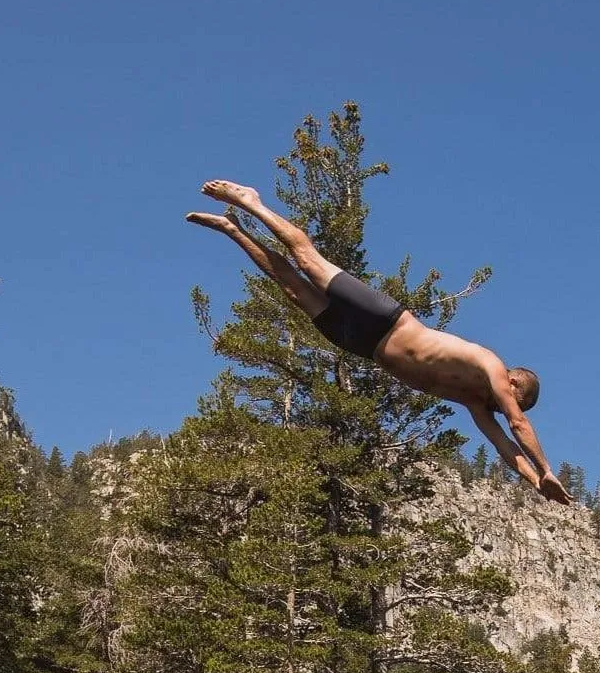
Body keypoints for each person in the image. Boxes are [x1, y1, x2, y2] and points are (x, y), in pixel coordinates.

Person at [186, 180, 572, 505]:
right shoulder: (489, 365)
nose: (506, 409)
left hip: (364, 346)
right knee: (308, 262)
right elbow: (518, 426)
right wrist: (547, 467)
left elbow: (505, 448)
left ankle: (233, 230)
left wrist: (538, 483)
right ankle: (252, 202)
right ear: (515, 382)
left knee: (292, 290)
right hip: (385, 319)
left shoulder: (474, 402)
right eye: (512, 401)